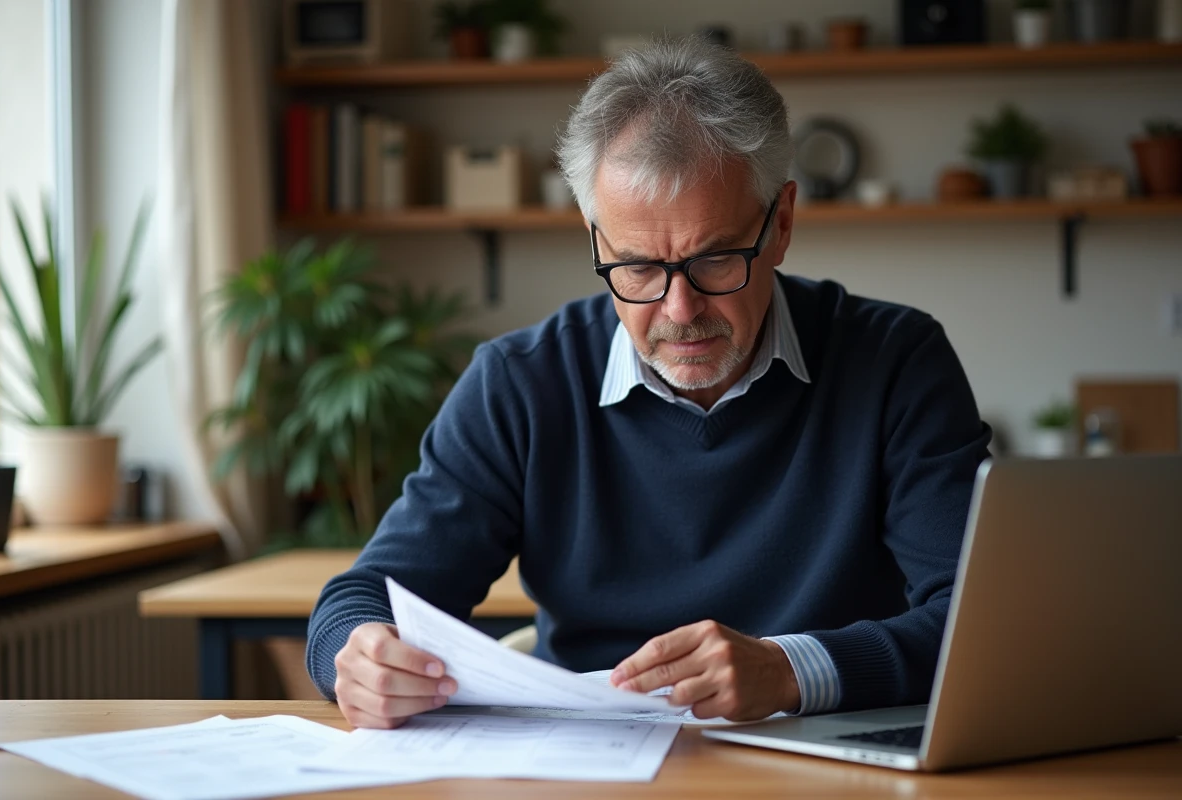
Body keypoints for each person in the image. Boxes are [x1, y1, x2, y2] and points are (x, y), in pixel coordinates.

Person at [306, 37, 992, 730]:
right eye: (635, 267)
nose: (679, 311)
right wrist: (357, 654)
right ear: (594, 237)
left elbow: (982, 622)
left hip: (827, 764)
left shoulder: (897, 362)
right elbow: (362, 598)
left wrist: (792, 671)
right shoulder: (520, 384)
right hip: (589, 763)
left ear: (780, 224)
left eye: (716, 259)